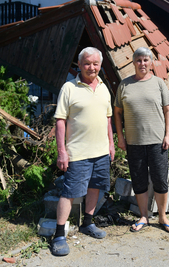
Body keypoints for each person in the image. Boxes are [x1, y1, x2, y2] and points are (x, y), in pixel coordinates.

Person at [51, 47, 115, 256]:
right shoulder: (69, 88)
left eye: (95, 63)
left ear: (100, 65)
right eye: (87, 63)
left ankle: (87, 223)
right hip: (78, 153)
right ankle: (59, 235)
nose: (92, 67)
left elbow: (108, 120)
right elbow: (60, 121)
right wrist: (62, 151)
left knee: (95, 187)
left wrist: (111, 145)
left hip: (101, 151)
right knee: (69, 193)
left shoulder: (104, 88)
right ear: (79, 65)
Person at [114, 47, 169, 233]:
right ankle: (143, 217)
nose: (142, 63)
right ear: (133, 63)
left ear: (151, 62)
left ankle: (163, 217)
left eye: (145, 60)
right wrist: (121, 137)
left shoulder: (158, 83)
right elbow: (117, 112)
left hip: (158, 141)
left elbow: (168, 110)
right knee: (139, 181)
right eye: (139, 60)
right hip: (134, 142)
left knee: (160, 180)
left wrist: (168, 135)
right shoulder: (124, 85)